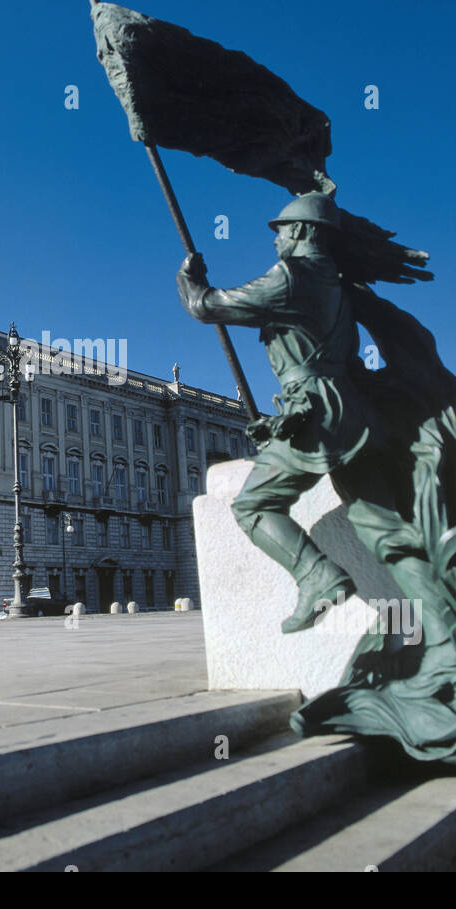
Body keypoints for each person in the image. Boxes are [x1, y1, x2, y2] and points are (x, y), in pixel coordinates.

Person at [176, 192, 372, 632]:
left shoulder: (290, 276)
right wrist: (281, 422)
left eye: (281, 230)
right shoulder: (337, 288)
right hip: (348, 408)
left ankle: (318, 576)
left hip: (318, 411)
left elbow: (208, 307)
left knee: (253, 504)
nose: (276, 240)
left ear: (301, 230)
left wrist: (189, 280)